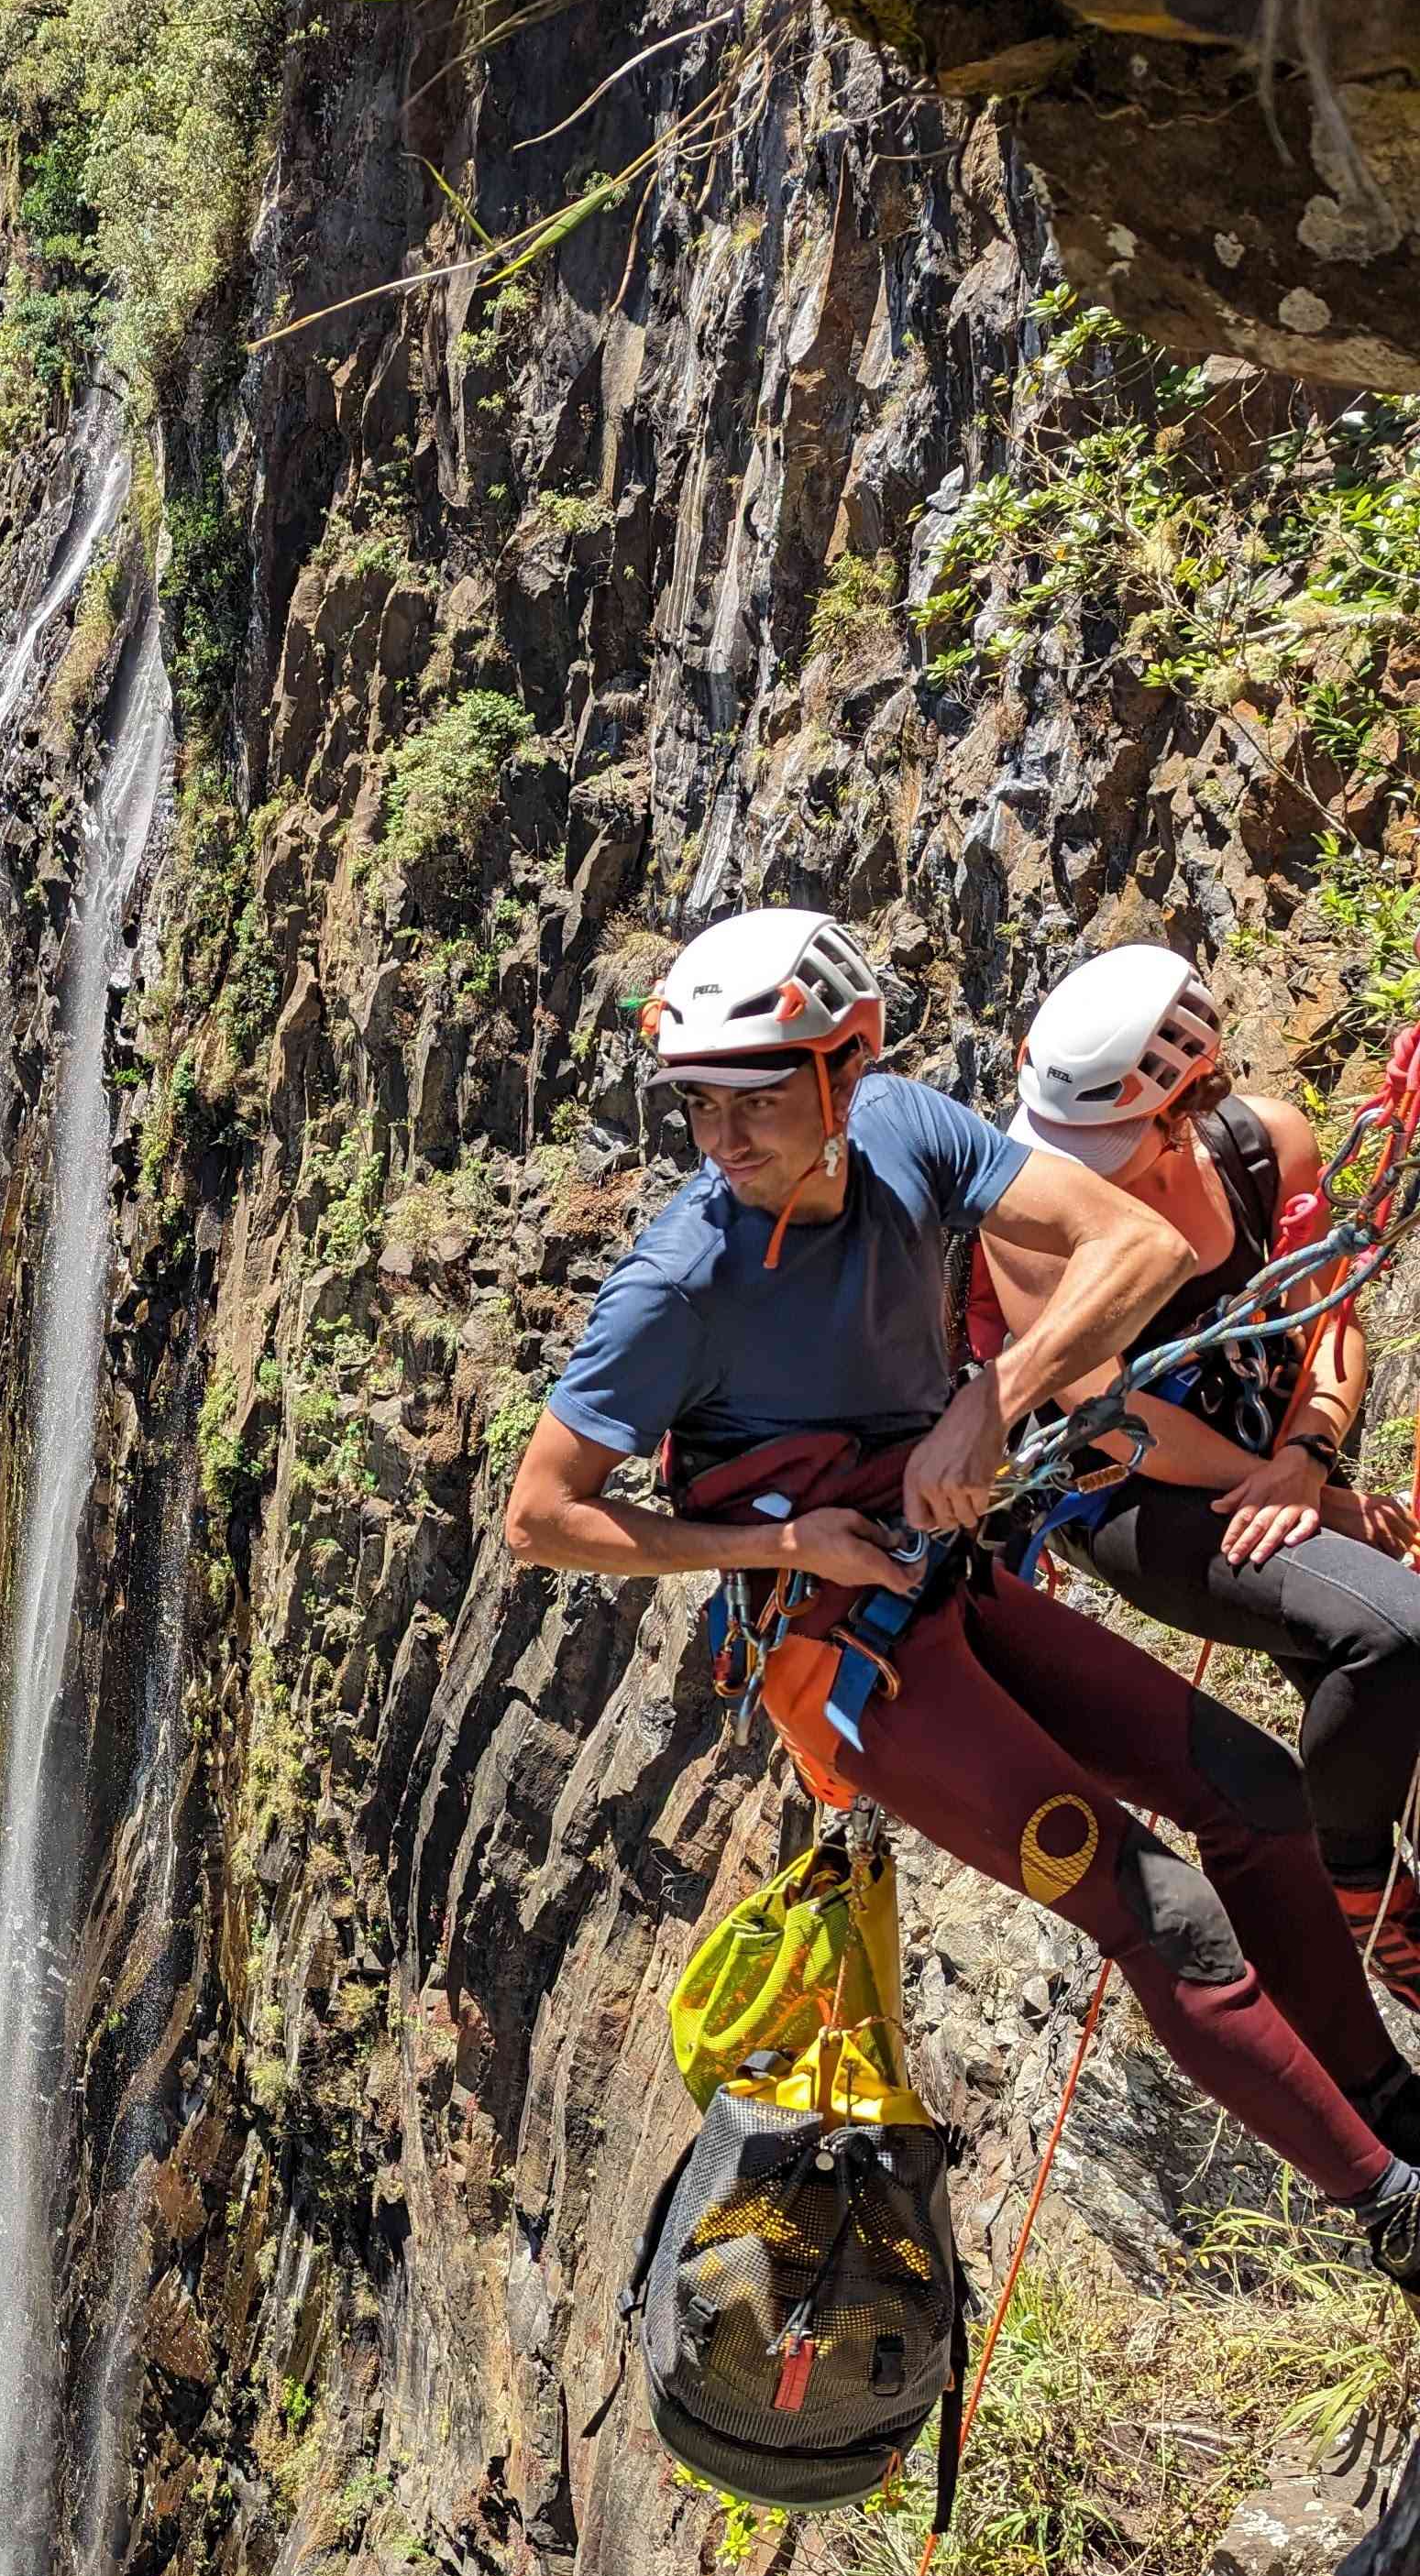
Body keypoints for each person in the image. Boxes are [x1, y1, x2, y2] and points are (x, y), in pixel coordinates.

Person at [503, 905, 1420, 2278]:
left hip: (944, 1586)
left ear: (847, 1066)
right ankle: (1393, 2211)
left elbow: (1139, 1251)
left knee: (1253, 1792)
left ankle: (1391, 2111)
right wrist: (784, 1548)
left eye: (756, 1101)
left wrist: (992, 1400)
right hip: (847, 1651)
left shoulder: (909, 1137)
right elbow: (545, 1518)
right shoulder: (679, 1285)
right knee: (1152, 1901)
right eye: (699, 1105)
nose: (725, 1140)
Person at [975, 941, 1420, 1998]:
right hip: (1131, 1493)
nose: (1074, 1166)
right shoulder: (1032, 1220)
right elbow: (1110, 1411)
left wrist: (1310, 1459)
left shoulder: (1266, 1147)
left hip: (1276, 1431)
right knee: (1391, 1633)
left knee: (1360, 1652)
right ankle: (1355, 1883)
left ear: (1184, 1106)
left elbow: (1327, 1310)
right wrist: (1296, 1488)